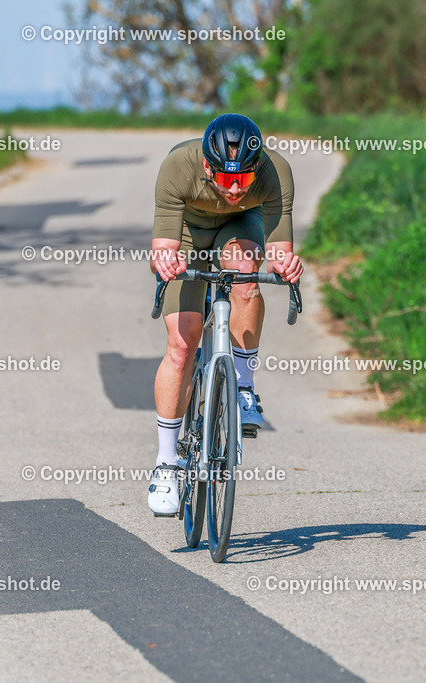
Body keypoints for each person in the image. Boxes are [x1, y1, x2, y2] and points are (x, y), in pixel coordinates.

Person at [147, 113, 302, 515]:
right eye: (225, 179)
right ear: (205, 166)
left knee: (246, 274)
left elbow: (280, 249)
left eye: (244, 181)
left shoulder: (275, 171)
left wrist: (285, 265)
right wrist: (166, 263)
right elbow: (162, 247)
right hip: (188, 232)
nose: (235, 189)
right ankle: (166, 463)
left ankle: (244, 387)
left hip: (240, 228)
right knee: (181, 345)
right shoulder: (178, 166)